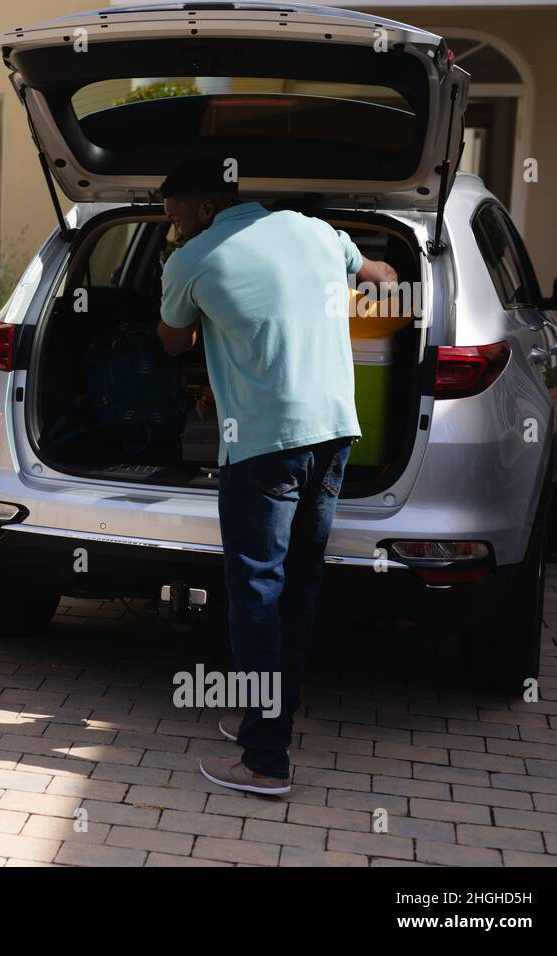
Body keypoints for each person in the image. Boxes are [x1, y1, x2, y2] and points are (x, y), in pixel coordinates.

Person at [156, 157, 398, 796]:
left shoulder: (192, 260)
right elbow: (383, 275)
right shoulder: (312, 230)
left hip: (263, 444)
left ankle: (265, 760)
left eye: (175, 214)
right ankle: (267, 721)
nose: (170, 227)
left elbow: (170, 341)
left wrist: (206, 305)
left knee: (256, 592)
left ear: (206, 208)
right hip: (335, 431)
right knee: (297, 588)